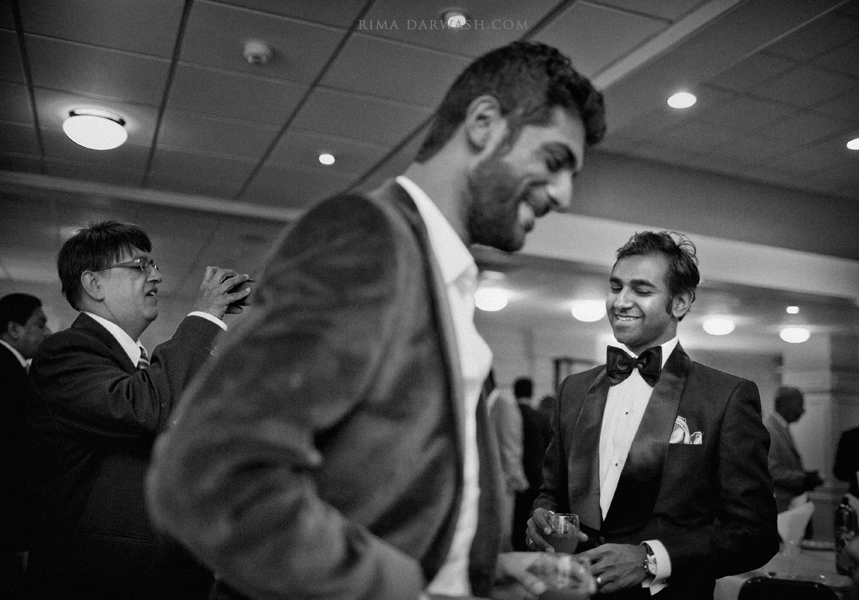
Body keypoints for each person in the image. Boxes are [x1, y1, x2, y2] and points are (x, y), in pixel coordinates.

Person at [145, 40, 605, 600]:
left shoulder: (437, 267)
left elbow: (386, 488)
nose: (564, 195)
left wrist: (479, 575)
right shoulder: (365, 234)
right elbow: (209, 473)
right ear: (484, 123)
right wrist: (400, 588)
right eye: (554, 161)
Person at [527, 231, 779, 599]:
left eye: (641, 290)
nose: (620, 301)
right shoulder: (573, 390)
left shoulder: (725, 397)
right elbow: (552, 492)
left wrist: (650, 559)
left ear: (680, 302)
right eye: (616, 287)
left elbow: (755, 534)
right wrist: (541, 516)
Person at [25, 221, 251, 600]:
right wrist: (204, 317)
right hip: (98, 577)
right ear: (94, 284)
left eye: (154, 265)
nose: (157, 276)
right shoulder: (65, 351)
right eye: (140, 266)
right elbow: (142, 409)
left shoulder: (138, 363)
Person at [0, 293, 50, 598]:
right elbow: (13, 458)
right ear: (14, 329)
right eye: (39, 324)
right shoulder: (9, 374)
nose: (46, 332)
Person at [487, 371, 529, 551]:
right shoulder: (491, 406)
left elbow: (511, 452)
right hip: (491, 487)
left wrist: (513, 480)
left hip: (503, 487)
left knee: (501, 540)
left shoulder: (505, 409)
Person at [764, 386, 823, 513]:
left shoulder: (780, 428)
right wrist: (804, 478)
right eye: (799, 405)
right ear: (785, 404)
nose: (802, 410)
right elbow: (772, 470)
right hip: (781, 506)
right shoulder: (770, 430)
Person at [513, 377, 551, 551]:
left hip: (518, 476)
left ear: (514, 392)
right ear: (532, 393)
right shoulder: (541, 417)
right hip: (538, 476)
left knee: (517, 518)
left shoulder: (513, 414)